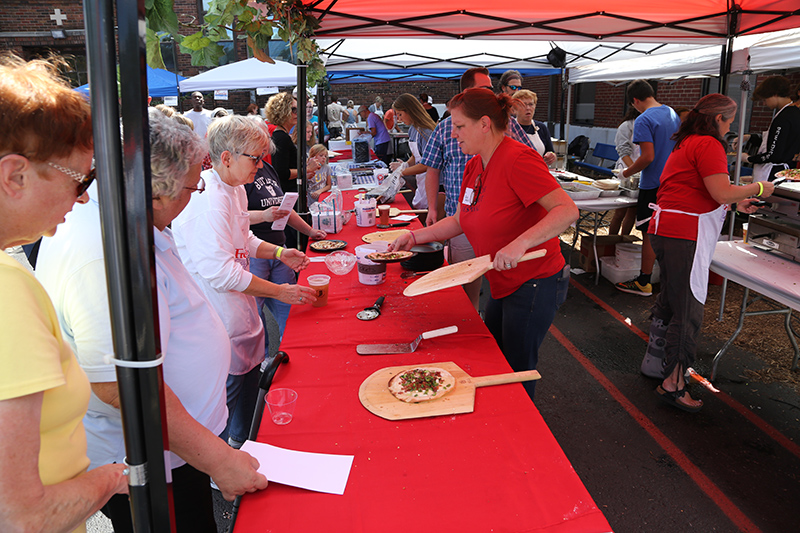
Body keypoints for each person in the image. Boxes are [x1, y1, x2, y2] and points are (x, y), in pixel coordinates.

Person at [36, 109, 269, 531]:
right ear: (155, 191)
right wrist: (219, 460)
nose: (194, 194)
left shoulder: (133, 217)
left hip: (180, 450)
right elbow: (119, 387)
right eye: (189, 187)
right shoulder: (104, 254)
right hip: (154, 461)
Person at [0, 53, 128, 533]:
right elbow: (21, 515)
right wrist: (110, 479)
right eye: (82, 179)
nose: (84, 197)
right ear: (15, 176)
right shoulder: (6, 291)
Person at [391, 88, 577, 399]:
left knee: (517, 369)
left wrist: (520, 244)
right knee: (493, 356)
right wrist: (413, 237)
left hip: (533, 283)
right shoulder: (474, 165)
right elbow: (461, 219)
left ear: (484, 124)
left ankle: (521, 435)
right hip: (501, 282)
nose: (453, 133)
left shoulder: (518, 159)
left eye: (459, 126)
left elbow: (567, 210)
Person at [171, 115, 316, 449]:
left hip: (240, 316)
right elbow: (221, 272)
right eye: (255, 157)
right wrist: (280, 291)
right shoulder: (208, 201)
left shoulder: (234, 190)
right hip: (217, 321)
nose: (260, 165)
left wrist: (280, 253)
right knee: (224, 407)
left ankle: (243, 446)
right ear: (226, 157)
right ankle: (221, 468)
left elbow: (245, 238)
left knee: (248, 401)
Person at [645, 94, 774, 411]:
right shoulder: (709, 144)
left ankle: (654, 361)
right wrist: (758, 188)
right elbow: (720, 190)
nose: (730, 126)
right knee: (688, 308)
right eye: (729, 120)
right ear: (718, 118)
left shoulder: (686, 142)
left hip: (666, 228)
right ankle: (673, 383)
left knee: (671, 299)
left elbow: (702, 190)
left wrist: (733, 201)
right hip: (685, 233)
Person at [420, 67, 539, 310]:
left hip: (504, 228)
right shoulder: (468, 158)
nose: (455, 135)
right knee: (470, 289)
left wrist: (523, 239)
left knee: (503, 290)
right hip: (463, 220)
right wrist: (428, 215)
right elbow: (431, 168)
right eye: (483, 90)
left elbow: (561, 206)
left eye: (460, 129)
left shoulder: (508, 137)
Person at [245, 119, 326, 342]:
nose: (266, 147)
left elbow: (284, 209)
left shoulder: (266, 168)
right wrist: (263, 216)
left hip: (279, 250)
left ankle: (287, 350)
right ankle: (262, 363)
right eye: (261, 144)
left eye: (266, 142)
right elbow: (234, 219)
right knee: (254, 313)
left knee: (290, 308)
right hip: (255, 254)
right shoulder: (238, 177)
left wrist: (310, 232)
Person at [617, 79, 681, 297]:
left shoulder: (644, 119)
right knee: (666, 233)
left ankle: (644, 281)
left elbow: (648, 157)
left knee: (649, 233)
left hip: (653, 184)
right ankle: (668, 280)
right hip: (672, 182)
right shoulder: (672, 113)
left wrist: (626, 173)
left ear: (635, 100)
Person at [744, 75, 800, 182]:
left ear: (774, 94)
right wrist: (749, 137)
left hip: (773, 173)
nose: (765, 103)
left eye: (765, 99)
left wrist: (748, 158)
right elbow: (774, 141)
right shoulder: (793, 113)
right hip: (784, 171)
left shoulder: (783, 117)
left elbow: (773, 155)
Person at [388, 93, 436, 209]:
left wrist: (403, 171)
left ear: (410, 111)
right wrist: (406, 164)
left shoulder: (426, 132)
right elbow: (416, 155)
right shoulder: (412, 129)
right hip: (421, 181)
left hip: (433, 183)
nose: (399, 119)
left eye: (400, 114)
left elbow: (426, 164)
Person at [609, 106, 641, 235]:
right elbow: (623, 151)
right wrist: (635, 170)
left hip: (641, 172)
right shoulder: (627, 126)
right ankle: (611, 241)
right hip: (626, 171)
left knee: (632, 211)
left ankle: (623, 240)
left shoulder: (650, 126)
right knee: (620, 211)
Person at [511, 89, 557, 166]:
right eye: (524, 104)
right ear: (514, 109)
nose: (528, 108)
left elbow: (550, 150)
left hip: (538, 172)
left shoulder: (541, 127)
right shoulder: (509, 128)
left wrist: (551, 155)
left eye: (531, 104)